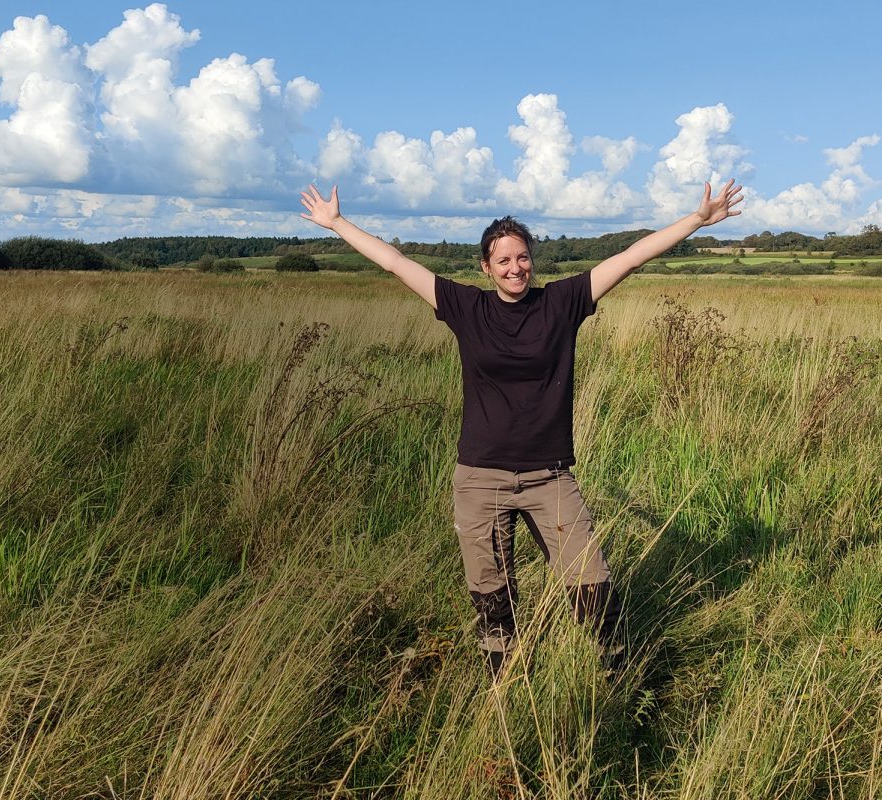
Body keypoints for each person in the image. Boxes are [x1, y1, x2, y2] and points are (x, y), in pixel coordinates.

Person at [300, 180, 743, 678]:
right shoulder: (467, 309)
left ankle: (615, 680)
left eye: (522, 257)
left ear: (533, 259)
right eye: (503, 261)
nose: (515, 268)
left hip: (549, 476)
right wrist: (337, 224)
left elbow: (631, 257)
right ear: (486, 268)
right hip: (480, 477)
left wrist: (696, 221)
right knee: (492, 598)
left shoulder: (562, 303)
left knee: (592, 587)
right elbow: (396, 263)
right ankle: (505, 690)